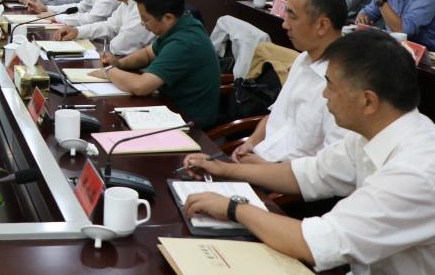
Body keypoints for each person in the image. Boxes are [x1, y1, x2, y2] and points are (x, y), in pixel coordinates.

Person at [181, 31, 435, 274]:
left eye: (331, 85)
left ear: (368, 101)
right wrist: (225, 169)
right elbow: (305, 174)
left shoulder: (415, 172)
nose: (324, 94)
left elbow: (317, 243)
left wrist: (234, 208)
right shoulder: (371, 134)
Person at [232, 0, 349, 163]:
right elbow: (275, 116)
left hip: (281, 177)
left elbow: (329, 169)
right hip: (259, 160)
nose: (285, 25)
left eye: (292, 17)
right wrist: (251, 143)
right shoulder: (302, 60)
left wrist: (261, 168)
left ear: (322, 25)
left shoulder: (346, 82)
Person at [91, 0, 220, 128]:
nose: (143, 24)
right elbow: (147, 54)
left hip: (190, 125)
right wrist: (119, 63)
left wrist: (109, 71)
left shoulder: (185, 42)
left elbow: (141, 86)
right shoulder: (179, 23)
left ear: (168, 18)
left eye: (146, 19)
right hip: (167, 109)